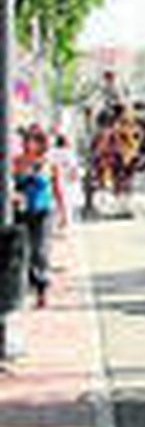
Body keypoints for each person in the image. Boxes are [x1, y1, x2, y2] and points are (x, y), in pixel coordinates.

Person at [12, 125, 56, 308]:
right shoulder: (17, 161)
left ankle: (41, 289)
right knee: (23, 250)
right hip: (22, 210)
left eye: (33, 140)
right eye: (27, 140)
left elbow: (56, 186)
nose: (29, 144)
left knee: (40, 250)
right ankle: (26, 287)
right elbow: (11, 182)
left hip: (43, 210)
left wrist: (62, 213)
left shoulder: (46, 162)